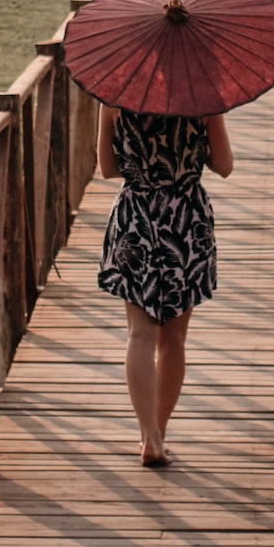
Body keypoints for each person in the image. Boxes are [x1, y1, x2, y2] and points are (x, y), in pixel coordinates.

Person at [96, 102, 235, 465]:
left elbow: (108, 170)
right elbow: (224, 167)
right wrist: (192, 150)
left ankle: (148, 437)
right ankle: (159, 433)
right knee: (172, 338)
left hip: (136, 218)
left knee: (139, 334)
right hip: (185, 218)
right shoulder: (204, 99)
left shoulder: (113, 100)